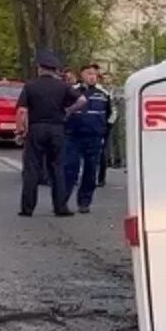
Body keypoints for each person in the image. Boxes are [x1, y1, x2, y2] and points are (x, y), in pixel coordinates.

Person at [16, 50, 87, 217]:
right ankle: (60, 207)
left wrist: (20, 132)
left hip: (36, 129)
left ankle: (27, 208)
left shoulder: (30, 85)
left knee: (32, 168)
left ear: (40, 68)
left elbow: (22, 111)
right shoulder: (63, 86)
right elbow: (82, 100)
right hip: (57, 129)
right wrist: (68, 110)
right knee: (57, 167)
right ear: (54, 70)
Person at [63, 64, 117, 214]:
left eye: (94, 74)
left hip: (94, 137)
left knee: (91, 171)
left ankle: (84, 202)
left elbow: (112, 114)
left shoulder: (104, 93)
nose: (92, 76)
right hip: (73, 136)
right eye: (89, 73)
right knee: (69, 169)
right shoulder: (72, 91)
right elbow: (63, 110)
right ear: (82, 75)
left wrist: (105, 131)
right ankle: (62, 201)